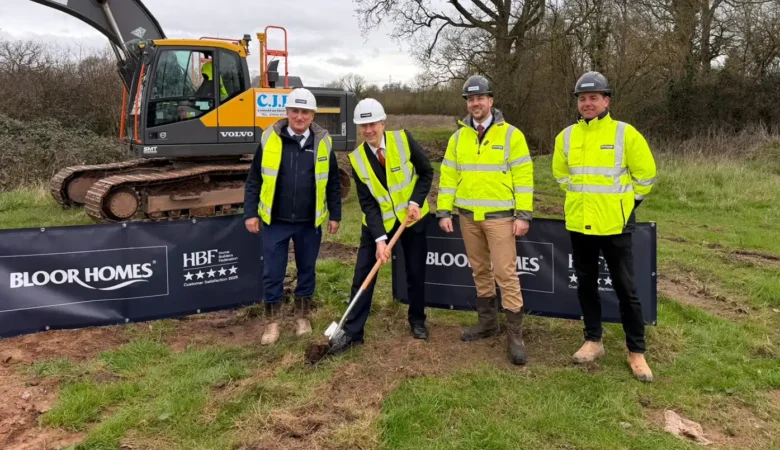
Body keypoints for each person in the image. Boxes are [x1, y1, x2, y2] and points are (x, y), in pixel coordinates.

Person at [552, 71, 657, 382]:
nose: (587, 103)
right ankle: (592, 340)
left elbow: (646, 177)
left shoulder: (626, 134)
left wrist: (625, 206)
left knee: (627, 290)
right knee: (585, 284)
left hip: (616, 226)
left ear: (606, 101)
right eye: (582, 98)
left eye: (593, 97)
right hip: (581, 224)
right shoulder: (566, 136)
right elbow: (561, 175)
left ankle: (636, 352)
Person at [323, 98, 434, 357]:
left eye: (372, 124)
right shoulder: (357, 158)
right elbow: (367, 203)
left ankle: (417, 320)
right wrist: (380, 240)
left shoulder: (403, 139)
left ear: (383, 123)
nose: (368, 130)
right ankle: (352, 332)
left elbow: (426, 172)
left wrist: (416, 201)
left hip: (412, 219)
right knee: (363, 275)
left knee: (416, 272)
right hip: (378, 225)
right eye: (362, 126)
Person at [437, 75, 534, 365]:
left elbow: (524, 176)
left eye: (480, 98)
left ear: (491, 101)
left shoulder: (511, 135)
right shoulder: (458, 137)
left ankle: (515, 336)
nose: (475, 103)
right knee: (480, 271)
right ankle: (488, 324)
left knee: (506, 274)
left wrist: (524, 214)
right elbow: (449, 176)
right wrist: (444, 210)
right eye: (470, 99)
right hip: (468, 217)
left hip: (501, 219)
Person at [243, 87, 342, 345]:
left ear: (312, 115)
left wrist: (335, 215)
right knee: (273, 272)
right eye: (295, 111)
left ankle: (302, 317)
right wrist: (251, 212)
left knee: (307, 270)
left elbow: (332, 181)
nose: (299, 116)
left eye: (305, 112)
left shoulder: (323, 142)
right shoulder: (270, 139)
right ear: (287, 113)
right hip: (275, 222)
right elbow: (254, 179)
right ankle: (272, 323)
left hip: (309, 223)